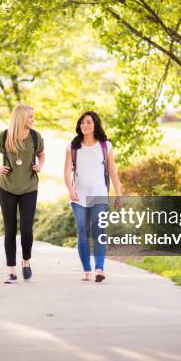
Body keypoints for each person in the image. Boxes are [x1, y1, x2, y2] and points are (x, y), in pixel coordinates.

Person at [0, 104, 45, 283]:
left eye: (33, 117)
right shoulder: (4, 136)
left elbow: (42, 155)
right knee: (10, 229)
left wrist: (40, 165)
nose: (33, 120)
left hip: (29, 188)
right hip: (7, 189)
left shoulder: (36, 137)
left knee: (27, 230)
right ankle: (11, 271)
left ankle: (26, 262)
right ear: (21, 118)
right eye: (30, 117)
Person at [64, 111, 122, 282]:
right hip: (78, 196)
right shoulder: (72, 146)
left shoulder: (105, 146)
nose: (85, 125)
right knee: (82, 231)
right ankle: (86, 270)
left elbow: (113, 171)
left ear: (95, 124)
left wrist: (118, 195)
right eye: (82, 122)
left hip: (99, 195)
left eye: (88, 122)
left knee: (99, 231)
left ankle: (99, 268)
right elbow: (67, 172)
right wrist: (70, 189)